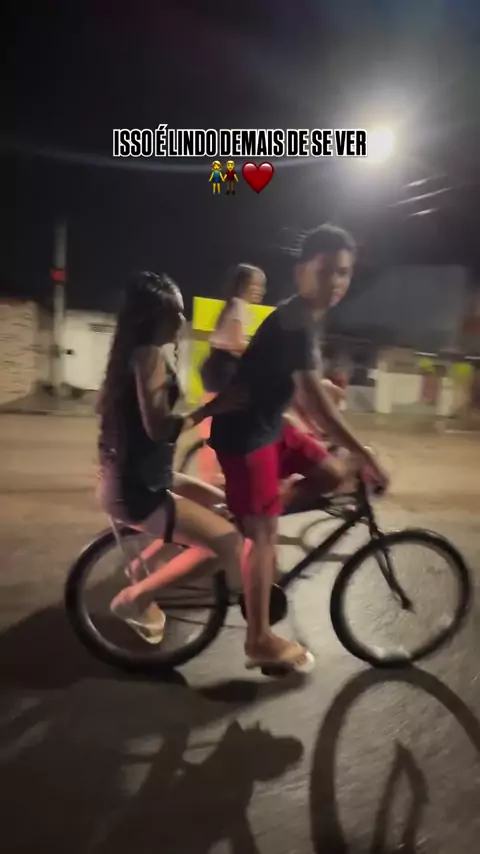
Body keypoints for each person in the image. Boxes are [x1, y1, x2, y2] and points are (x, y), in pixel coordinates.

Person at [209, 224, 390, 673]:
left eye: (343, 273)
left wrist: (326, 436)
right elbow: (315, 399)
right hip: (246, 436)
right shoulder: (295, 321)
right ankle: (259, 639)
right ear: (301, 271)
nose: (335, 282)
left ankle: (257, 512)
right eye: (325, 270)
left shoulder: (305, 316)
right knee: (266, 537)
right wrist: (365, 454)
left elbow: (298, 391)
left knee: (333, 473)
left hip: (270, 426)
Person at [97, 272, 246, 642]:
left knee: (227, 507)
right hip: (138, 488)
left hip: (145, 475)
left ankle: (141, 567)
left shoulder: (136, 355)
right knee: (227, 542)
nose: (182, 319)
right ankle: (135, 597)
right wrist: (212, 409)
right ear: (153, 317)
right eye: (175, 312)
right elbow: (159, 429)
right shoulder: (147, 356)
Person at [201, 263, 266, 395]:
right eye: (256, 285)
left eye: (262, 286)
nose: (262, 290)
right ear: (242, 285)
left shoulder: (233, 304)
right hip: (225, 368)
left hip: (217, 365)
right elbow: (237, 343)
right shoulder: (238, 305)